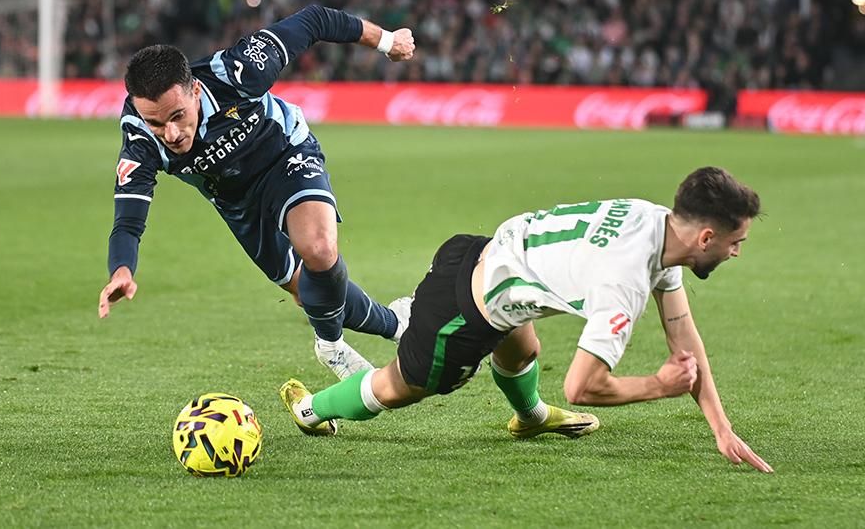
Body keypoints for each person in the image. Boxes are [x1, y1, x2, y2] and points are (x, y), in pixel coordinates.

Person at [280, 166, 774, 473]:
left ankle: (531, 417)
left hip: (485, 257)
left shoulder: (656, 223)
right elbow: (583, 387)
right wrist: (658, 385)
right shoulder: (624, 280)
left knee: (523, 348)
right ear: (705, 238)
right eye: (737, 242)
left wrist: (721, 429)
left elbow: (684, 334)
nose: (737, 252)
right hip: (463, 311)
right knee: (398, 386)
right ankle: (312, 410)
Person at [99, 4, 416, 379]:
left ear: (196, 91)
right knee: (310, 292)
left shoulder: (239, 71)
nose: (171, 134)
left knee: (318, 249)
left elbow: (315, 20)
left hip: (285, 154)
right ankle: (395, 322)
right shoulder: (139, 140)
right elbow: (128, 223)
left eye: (178, 115)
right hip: (236, 202)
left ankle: (331, 346)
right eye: (156, 122)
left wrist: (387, 41)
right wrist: (121, 270)